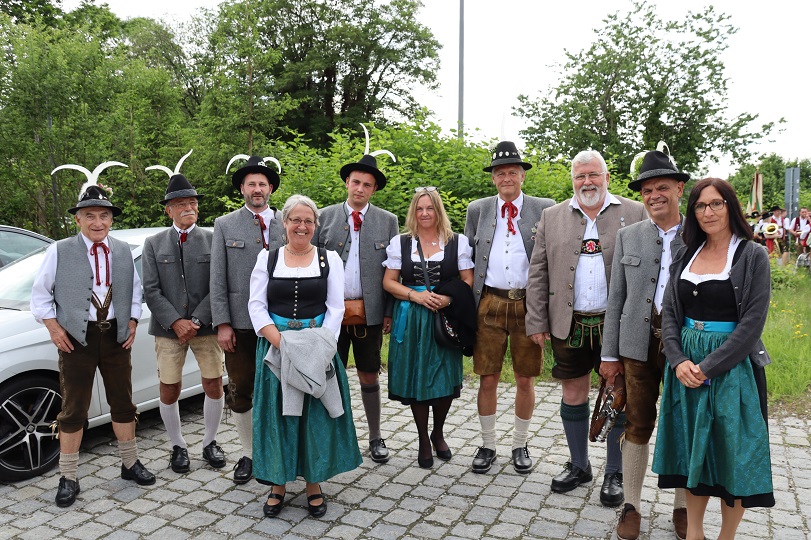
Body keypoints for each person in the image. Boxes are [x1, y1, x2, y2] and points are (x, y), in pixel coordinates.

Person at [652, 178, 774, 540]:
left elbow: (751, 324)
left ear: (730, 206)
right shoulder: (684, 254)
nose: (708, 212)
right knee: (695, 450)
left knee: (731, 454)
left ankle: (726, 537)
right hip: (686, 366)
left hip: (733, 369)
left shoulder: (752, 255)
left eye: (716, 203)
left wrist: (707, 368)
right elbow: (670, 313)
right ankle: (694, 533)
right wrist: (678, 360)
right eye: (701, 206)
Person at [525, 150, 646, 506]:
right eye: (580, 176)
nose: (587, 182)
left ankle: (614, 472)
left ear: (606, 177)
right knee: (573, 393)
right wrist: (536, 320)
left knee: (617, 395)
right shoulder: (551, 216)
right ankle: (579, 465)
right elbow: (538, 272)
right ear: (573, 180)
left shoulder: (634, 212)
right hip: (569, 322)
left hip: (616, 324)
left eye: (593, 175)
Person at [31, 178, 155, 508]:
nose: (97, 222)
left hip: (116, 338)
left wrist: (131, 321)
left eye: (103, 215)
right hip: (76, 339)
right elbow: (40, 296)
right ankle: (68, 476)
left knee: (123, 402)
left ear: (111, 219)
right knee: (73, 408)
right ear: (78, 219)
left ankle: (130, 463)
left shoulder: (123, 250)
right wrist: (54, 329)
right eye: (90, 216)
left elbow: (136, 291)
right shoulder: (59, 250)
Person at [248, 194, 362, 518]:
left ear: (316, 225)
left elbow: (336, 308)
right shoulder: (267, 259)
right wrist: (281, 343)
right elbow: (256, 305)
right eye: (295, 220)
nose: (302, 226)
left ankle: (314, 483)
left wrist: (321, 347)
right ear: (284, 223)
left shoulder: (329, 260)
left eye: (308, 221)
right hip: (276, 348)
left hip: (318, 346)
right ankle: (277, 484)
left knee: (314, 418)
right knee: (280, 417)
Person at [600, 150, 689, 540]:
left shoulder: (700, 234)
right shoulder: (628, 235)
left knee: (684, 424)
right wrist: (609, 354)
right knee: (636, 422)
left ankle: (683, 506)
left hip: (686, 346)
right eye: (647, 190)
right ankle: (631, 505)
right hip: (636, 346)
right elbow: (616, 298)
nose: (654, 195)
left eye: (662, 187)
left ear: (679, 189)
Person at [464, 141, 554, 474]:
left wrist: (546, 312)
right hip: (489, 302)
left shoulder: (544, 209)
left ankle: (520, 443)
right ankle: (488, 444)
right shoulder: (477, 209)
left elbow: (553, 259)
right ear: (493, 178)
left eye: (512, 172)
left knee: (525, 378)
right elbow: (467, 258)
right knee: (487, 377)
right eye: (500, 173)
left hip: (528, 304)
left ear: (522, 176)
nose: (506, 178)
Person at [313, 151, 398, 464]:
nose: (360, 188)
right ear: (347, 182)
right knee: (326, 376)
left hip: (369, 314)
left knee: (369, 375)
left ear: (374, 189)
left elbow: (394, 269)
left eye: (367, 185)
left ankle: (375, 436)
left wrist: (388, 311)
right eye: (356, 182)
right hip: (329, 315)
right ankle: (329, 438)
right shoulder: (323, 217)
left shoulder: (388, 221)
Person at [382, 187, 475, 468]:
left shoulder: (457, 242)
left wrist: (448, 299)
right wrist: (416, 295)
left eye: (430, 208)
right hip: (411, 317)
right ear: (413, 212)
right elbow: (389, 282)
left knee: (444, 376)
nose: (424, 213)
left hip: (444, 318)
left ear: (438, 210)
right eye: (419, 208)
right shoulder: (401, 243)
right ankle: (423, 437)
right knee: (416, 377)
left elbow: (467, 279)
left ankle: (438, 432)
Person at [142, 173, 226, 473]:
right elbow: (151, 289)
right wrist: (176, 321)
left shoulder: (213, 239)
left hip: (207, 326)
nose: (188, 207)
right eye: (180, 204)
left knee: (214, 383)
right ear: (169, 211)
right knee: (169, 387)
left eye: (192, 202)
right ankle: (177, 445)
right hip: (168, 330)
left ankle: (210, 442)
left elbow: (219, 284)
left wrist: (197, 320)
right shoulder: (153, 243)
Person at [211, 155, 285, 483]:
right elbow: (217, 278)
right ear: (242, 188)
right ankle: (249, 453)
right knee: (241, 389)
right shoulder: (224, 225)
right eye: (251, 184)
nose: (257, 189)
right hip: (240, 324)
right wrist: (222, 323)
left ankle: (281, 449)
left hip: (282, 322)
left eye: (262, 184)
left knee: (282, 389)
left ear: (271, 189)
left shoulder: (288, 221)